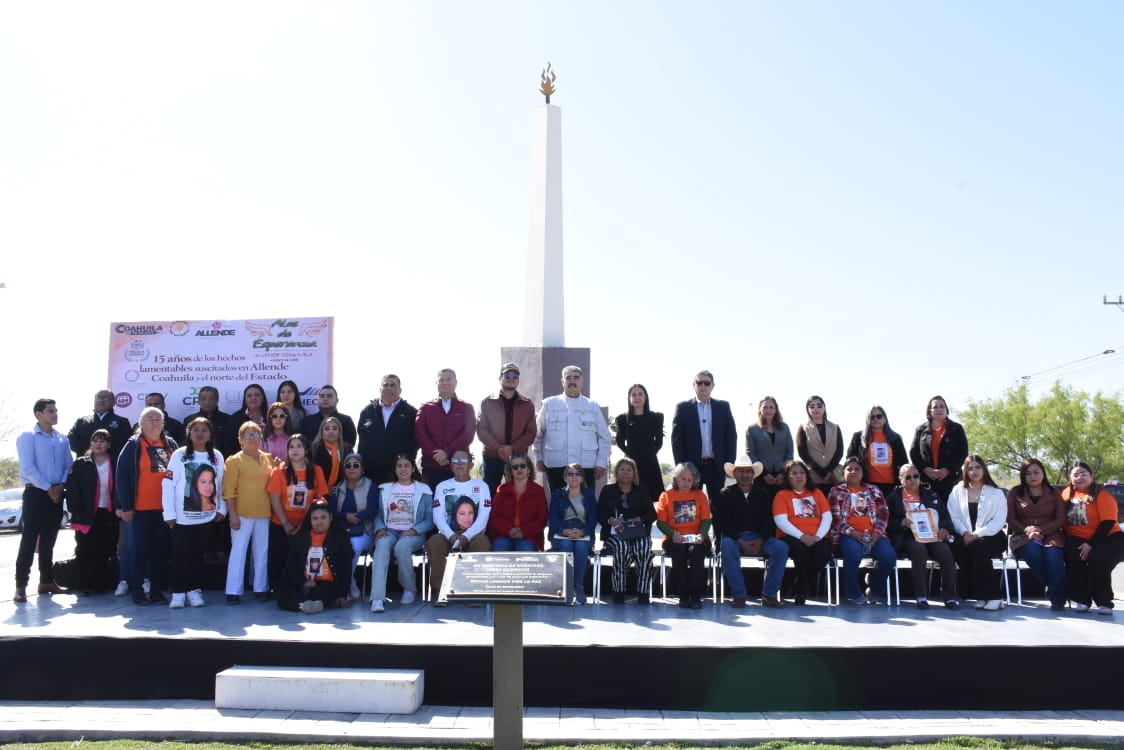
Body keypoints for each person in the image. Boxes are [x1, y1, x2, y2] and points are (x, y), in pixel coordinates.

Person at [161, 417, 226, 608]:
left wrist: (222, 509)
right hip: (182, 519)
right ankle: (178, 593)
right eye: (196, 429)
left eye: (204, 430)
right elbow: (168, 484)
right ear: (189, 433)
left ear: (210, 434)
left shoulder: (216, 456)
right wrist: (169, 513)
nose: (200, 433)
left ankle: (194, 591)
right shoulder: (179, 455)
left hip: (206, 517)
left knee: (198, 556)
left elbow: (221, 484)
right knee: (181, 556)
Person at [14, 398, 74, 602]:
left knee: (49, 540)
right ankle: (21, 586)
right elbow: (28, 467)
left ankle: (47, 581)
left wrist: (61, 485)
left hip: (57, 493)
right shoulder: (28, 436)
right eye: (50, 411)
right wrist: (48, 488)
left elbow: (68, 463)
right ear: (38, 414)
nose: (55, 414)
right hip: (36, 493)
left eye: (56, 410)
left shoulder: (61, 438)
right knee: (29, 539)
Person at [117, 406, 178, 605]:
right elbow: (122, 476)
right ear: (141, 423)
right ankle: (138, 592)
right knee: (140, 550)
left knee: (159, 551)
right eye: (150, 419)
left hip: (165, 509)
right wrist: (126, 506)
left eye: (158, 419)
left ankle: (157, 591)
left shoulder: (170, 444)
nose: (154, 423)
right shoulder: (133, 445)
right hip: (140, 509)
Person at [712, 455, 788, 609]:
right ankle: (739, 595)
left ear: (753, 474)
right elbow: (722, 523)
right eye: (741, 471)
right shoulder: (724, 494)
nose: (745, 475)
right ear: (734, 474)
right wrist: (740, 540)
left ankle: (769, 594)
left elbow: (769, 521)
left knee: (781, 548)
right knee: (727, 545)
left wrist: (761, 539)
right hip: (735, 538)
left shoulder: (763, 494)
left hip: (759, 537)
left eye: (748, 471)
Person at [886, 463, 959, 609]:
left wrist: (944, 528)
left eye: (916, 476)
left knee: (944, 551)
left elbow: (945, 516)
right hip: (908, 536)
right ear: (901, 479)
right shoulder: (893, 498)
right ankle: (921, 597)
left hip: (932, 534)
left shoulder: (930, 494)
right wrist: (900, 523)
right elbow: (886, 522)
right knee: (919, 549)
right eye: (908, 477)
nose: (913, 480)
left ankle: (950, 597)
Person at [426, 450, 492, 604]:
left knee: (482, 542)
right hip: (449, 533)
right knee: (434, 541)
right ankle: (439, 592)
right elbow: (438, 516)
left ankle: (475, 592)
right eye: (455, 460)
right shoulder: (442, 486)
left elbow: (484, 515)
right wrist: (451, 536)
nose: (459, 463)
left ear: (471, 464)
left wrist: (466, 537)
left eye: (463, 460)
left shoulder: (481, 486)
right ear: (451, 465)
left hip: (473, 533)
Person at [370, 455, 434, 612]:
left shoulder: (424, 490)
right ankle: (377, 598)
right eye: (399, 466)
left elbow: (430, 519)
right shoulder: (385, 489)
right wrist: (380, 528)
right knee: (381, 547)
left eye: (407, 465)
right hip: (390, 531)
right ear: (394, 469)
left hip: (414, 533)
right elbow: (378, 515)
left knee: (402, 547)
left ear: (413, 469)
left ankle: (409, 588)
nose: (403, 469)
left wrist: (414, 530)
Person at [828, 457, 897, 605]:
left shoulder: (874, 490)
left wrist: (877, 533)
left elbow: (884, 513)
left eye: (857, 469)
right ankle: (853, 591)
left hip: (874, 534)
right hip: (846, 535)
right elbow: (835, 518)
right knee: (854, 553)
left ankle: (874, 588)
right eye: (849, 469)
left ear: (863, 472)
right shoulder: (836, 491)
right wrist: (852, 532)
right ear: (843, 473)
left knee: (889, 557)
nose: (853, 471)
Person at [534, 365, 612, 491]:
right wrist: (539, 458)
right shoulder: (549, 405)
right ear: (562, 382)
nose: (572, 381)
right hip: (556, 467)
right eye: (568, 378)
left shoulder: (592, 407)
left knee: (585, 502)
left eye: (576, 378)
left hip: (585, 467)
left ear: (582, 382)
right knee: (558, 502)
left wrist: (601, 462)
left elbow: (604, 437)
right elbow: (537, 434)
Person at [267, 434, 330, 590]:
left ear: (306, 449)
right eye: (291, 447)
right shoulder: (278, 471)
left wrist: (308, 524)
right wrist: (286, 524)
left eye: (299, 446)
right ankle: (277, 588)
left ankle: (302, 588)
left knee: (301, 558)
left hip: (306, 524)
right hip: (281, 523)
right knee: (278, 558)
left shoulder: (316, 471)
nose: (295, 450)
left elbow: (321, 498)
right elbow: (274, 500)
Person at [1061, 461, 1124, 614]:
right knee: (1073, 558)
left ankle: (1104, 602)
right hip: (1077, 538)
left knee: (1098, 559)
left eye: (1083, 474)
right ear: (1070, 477)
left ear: (1091, 476)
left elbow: (1108, 523)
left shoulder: (1102, 495)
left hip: (1108, 538)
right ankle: (1082, 600)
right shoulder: (1066, 494)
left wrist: (1090, 544)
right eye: (1075, 474)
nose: (1079, 477)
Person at [223, 421, 275, 604]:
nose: (252, 438)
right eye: (248, 435)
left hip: (264, 513)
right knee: (238, 553)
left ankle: (261, 588)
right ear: (240, 439)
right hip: (242, 514)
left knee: (262, 552)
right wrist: (232, 514)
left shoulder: (268, 458)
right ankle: (233, 591)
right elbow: (228, 491)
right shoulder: (233, 461)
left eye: (256, 434)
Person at [947, 455, 1008, 610]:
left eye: (977, 467)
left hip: (992, 536)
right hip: (964, 535)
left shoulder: (996, 493)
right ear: (965, 471)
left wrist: (976, 535)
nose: (974, 471)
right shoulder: (957, 490)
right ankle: (979, 595)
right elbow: (953, 516)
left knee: (977, 547)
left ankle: (994, 596)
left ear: (984, 469)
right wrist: (965, 533)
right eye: (970, 468)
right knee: (959, 547)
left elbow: (998, 521)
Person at [1006, 458, 1067, 611]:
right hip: (1023, 536)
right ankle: (1058, 591)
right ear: (1023, 476)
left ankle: (1057, 601)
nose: (1032, 476)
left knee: (1053, 554)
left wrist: (1040, 530)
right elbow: (1010, 519)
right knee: (1032, 550)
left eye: (1036, 472)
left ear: (1043, 473)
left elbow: (1061, 519)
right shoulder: (1015, 492)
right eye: (1028, 473)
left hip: (1051, 533)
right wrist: (1028, 530)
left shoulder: (1054, 493)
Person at [66, 428, 119, 595]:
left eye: (102, 441)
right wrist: (76, 510)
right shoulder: (81, 463)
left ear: (108, 444)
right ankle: (84, 584)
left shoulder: (115, 462)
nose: (98, 444)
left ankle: (100, 584)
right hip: (86, 513)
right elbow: (73, 489)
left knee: (104, 548)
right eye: (95, 440)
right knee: (84, 549)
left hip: (107, 513)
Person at [275, 500, 353, 614]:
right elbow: (291, 564)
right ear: (310, 520)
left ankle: (306, 604)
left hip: (325, 584)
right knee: (282, 592)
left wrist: (342, 595)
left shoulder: (340, 539)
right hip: (302, 582)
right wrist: (303, 582)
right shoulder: (300, 538)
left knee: (325, 593)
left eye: (323, 517)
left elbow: (345, 568)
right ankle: (305, 605)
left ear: (330, 518)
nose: (319, 522)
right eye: (315, 518)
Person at [772, 459, 832, 605]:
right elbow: (780, 521)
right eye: (794, 473)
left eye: (802, 472)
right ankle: (802, 590)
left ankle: (801, 584)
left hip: (817, 536)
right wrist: (802, 536)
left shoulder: (817, 493)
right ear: (787, 477)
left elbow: (827, 516)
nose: (799, 475)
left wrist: (817, 536)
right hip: (791, 536)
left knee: (823, 552)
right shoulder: (782, 495)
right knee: (801, 551)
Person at [670, 370, 736, 502]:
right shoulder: (683, 408)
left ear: (713, 386)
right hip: (691, 467)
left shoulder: (723, 407)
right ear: (694, 385)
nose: (703, 386)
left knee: (719, 506)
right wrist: (681, 467)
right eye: (699, 382)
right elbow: (677, 440)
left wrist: (729, 464)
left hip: (717, 465)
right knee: (690, 505)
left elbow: (731, 437)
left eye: (707, 383)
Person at [596, 457, 656, 604]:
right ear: (616, 472)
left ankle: (643, 592)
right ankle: (619, 591)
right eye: (622, 469)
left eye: (629, 470)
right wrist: (611, 520)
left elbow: (652, 515)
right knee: (622, 547)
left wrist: (639, 519)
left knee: (643, 548)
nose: (625, 473)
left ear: (634, 473)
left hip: (637, 533)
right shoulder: (608, 490)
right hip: (614, 535)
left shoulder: (642, 490)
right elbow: (599, 514)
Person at [656, 462, 713, 609]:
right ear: (675, 479)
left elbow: (706, 520)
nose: (686, 482)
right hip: (674, 538)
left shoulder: (700, 495)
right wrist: (672, 534)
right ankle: (683, 595)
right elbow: (660, 522)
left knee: (697, 551)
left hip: (698, 538)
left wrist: (701, 535)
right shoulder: (666, 496)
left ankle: (696, 595)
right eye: (683, 478)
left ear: (694, 481)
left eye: (689, 479)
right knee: (678, 549)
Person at [477, 363, 537, 496]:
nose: (511, 379)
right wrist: (499, 448)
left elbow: (531, 433)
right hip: (492, 456)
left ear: (518, 381)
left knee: (518, 495)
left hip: (518, 457)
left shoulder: (527, 404)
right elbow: (482, 430)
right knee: (489, 494)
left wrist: (512, 448)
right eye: (507, 375)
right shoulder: (487, 402)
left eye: (515, 377)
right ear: (500, 378)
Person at [414, 369, 476, 488]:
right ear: (436, 383)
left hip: (457, 468)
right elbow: (420, 433)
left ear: (456, 382)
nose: (445, 382)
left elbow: (468, 434)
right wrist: (437, 455)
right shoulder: (425, 408)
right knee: (431, 500)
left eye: (449, 379)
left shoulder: (466, 407)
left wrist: (447, 452)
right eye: (441, 380)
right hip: (431, 467)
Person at [548, 462, 599, 605]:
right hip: (562, 533)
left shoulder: (589, 495)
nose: (574, 477)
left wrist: (583, 531)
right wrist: (562, 530)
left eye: (577, 474)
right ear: (565, 478)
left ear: (582, 478)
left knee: (581, 547)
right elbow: (552, 517)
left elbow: (593, 518)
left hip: (583, 533)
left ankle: (578, 586)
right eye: (570, 474)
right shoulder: (557, 495)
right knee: (566, 545)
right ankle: (567, 587)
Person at [332, 453, 378, 601]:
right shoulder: (337, 488)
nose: (351, 468)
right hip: (341, 530)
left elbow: (372, 510)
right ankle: (350, 586)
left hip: (364, 530)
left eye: (356, 465)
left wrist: (355, 518)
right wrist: (346, 517)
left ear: (362, 470)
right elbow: (331, 511)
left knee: (352, 547)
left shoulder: (371, 486)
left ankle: (344, 588)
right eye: (348, 465)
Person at [357, 374, 419, 482]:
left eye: (393, 385)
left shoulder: (411, 413)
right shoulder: (367, 412)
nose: (388, 388)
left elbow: (416, 442)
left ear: (400, 390)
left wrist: (405, 464)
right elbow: (361, 441)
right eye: (385, 385)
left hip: (398, 476)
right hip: (370, 475)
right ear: (380, 389)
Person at [909, 395, 969, 501]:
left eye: (942, 406)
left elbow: (962, 453)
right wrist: (924, 469)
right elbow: (914, 453)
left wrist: (947, 470)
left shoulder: (956, 429)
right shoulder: (921, 430)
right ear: (929, 411)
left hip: (951, 480)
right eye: (935, 407)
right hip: (927, 481)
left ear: (946, 410)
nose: (939, 409)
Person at [488, 454, 548, 552]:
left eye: (522, 466)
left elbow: (541, 520)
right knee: (500, 549)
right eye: (515, 467)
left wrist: (524, 532)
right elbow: (494, 517)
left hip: (529, 536)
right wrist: (509, 529)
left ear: (529, 469)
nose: (519, 469)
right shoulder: (502, 490)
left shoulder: (538, 491)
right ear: (511, 471)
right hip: (503, 534)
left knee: (526, 550)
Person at [614, 384, 665, 499]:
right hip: (631, 464)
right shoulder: (623, 419)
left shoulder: (656, 417)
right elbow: (620, 442)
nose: (637, 397)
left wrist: (650, 453)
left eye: (640, 394)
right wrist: (630, 454)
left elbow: (659, 441)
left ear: (645, 397)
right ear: (629, 398)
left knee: (653, 497)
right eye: (634, 395)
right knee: (631, 496)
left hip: (650, 462)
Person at [846, 405, 908, 499]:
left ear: (885, 418)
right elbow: (850, 459)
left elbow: (903, 462)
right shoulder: (858, 437)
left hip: (891, 485)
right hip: (867, 484)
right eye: (872, 417)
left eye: (879, 416)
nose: (875, 419)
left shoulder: (895, 438)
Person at [746, 396, 794, 500]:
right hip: (761, 476)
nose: (768, 410)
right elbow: (750, 452)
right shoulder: (752, 429)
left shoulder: (785, 428)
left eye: (771, 407)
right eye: (765, 407)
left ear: (776, 410)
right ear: (760, 409)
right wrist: (764, 473)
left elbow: (789, 451)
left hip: (782, 477)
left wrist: (783, 473)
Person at [795, 395, 843, 494]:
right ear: (808, 410)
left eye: (819, 406)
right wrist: (821, 472)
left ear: (824, 407)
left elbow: (839, 451)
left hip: (834, 475)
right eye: (812, 406)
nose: (816, 409)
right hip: (814, 476)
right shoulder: (803, 428)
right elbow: (802, 453)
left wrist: (828, 471)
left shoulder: (835, 427)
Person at [68, 389, 132, 459]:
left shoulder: (122, 422)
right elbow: (71, 439)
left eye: (105, 397)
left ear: (113, 402)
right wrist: (87, 451)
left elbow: (125, 445)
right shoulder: (81, 421)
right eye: (98, 397)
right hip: (85, 462)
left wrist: (104, 452)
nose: (101, 400)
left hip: (111, 463)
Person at [224, 383, 270, 457]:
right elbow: (229, 444)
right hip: (244, 460)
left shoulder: (271, 416)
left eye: (257, 395)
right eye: (249, 396)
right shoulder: (236, 418)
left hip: (269, 459)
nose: (253, 398)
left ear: (263, 398)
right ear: (245, 399)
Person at [183, 386, 231, 456]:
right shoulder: (190, 420)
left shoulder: (228, 419)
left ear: (217, 400)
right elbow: (185, 443)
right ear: (198, 401)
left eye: (211, 399)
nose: (207, 402)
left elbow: (230, 443)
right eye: (203, 398)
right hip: (195, 459)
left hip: (222, 458)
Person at [311, 415, 353, 490]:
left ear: (339, 431)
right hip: (318, 491)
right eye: (327, 429)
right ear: (321, 432)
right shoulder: (314, 448)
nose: (331, 431)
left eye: (334, 428)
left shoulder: (347, 449)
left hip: (341, 491)